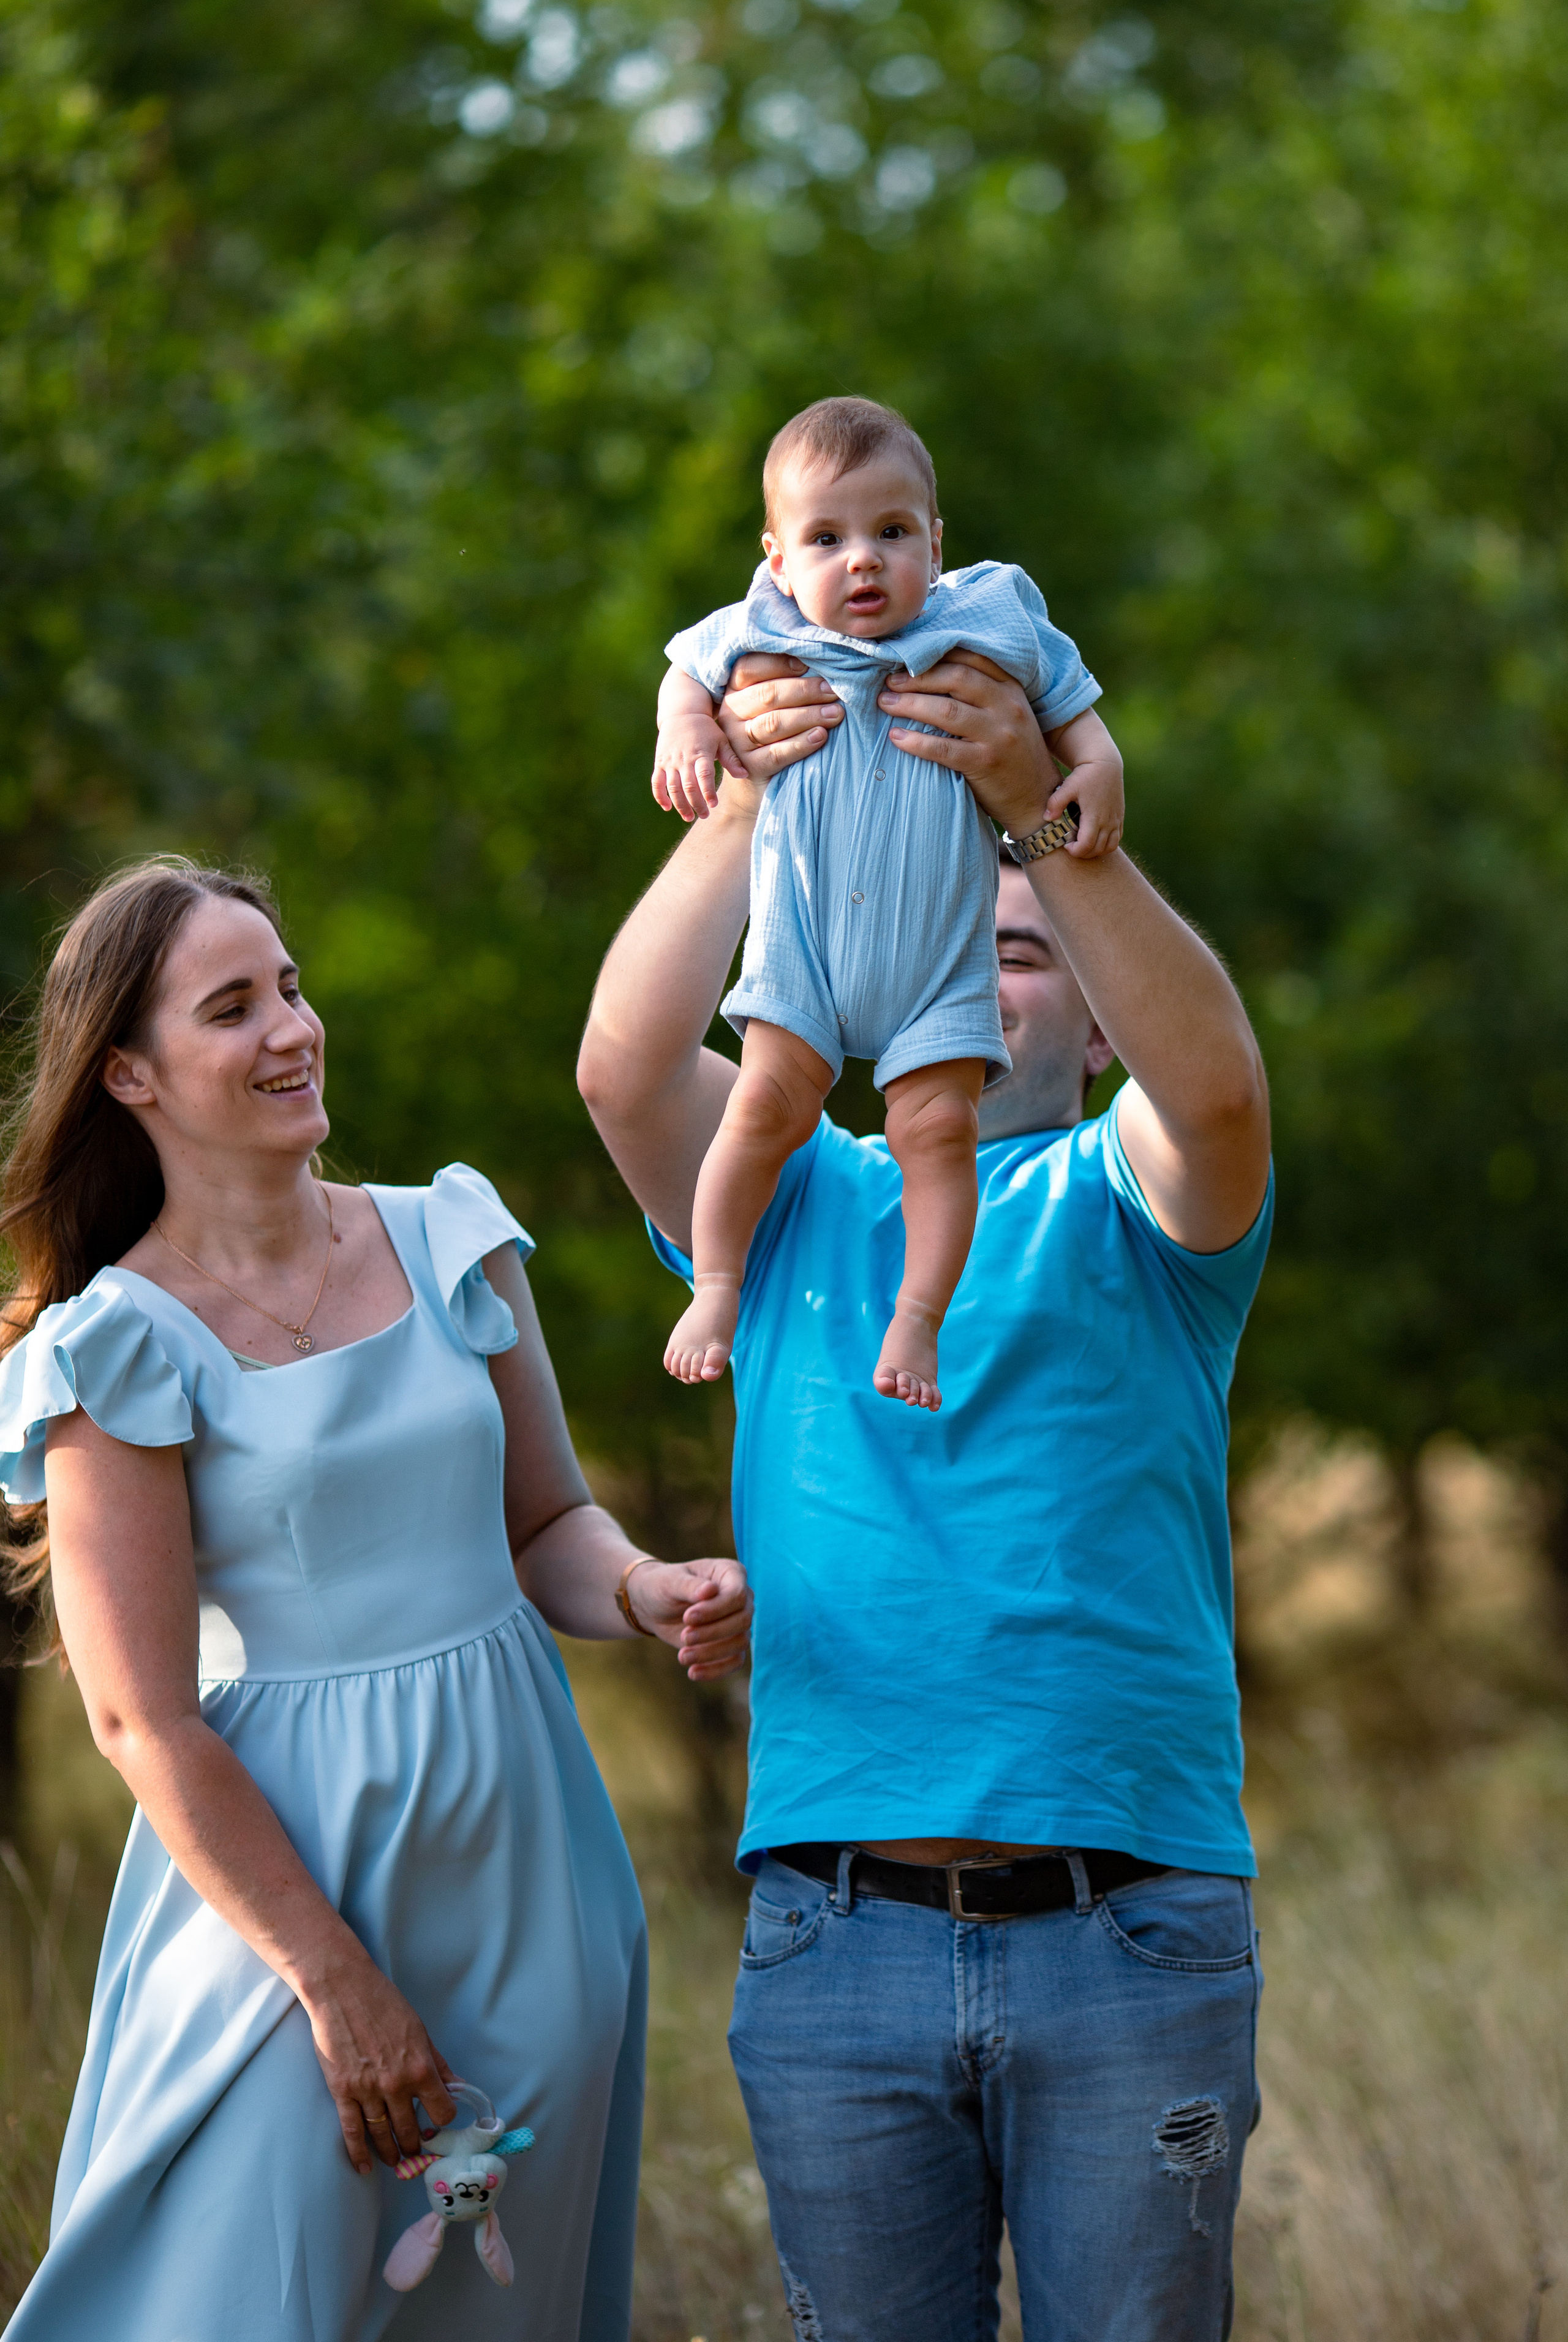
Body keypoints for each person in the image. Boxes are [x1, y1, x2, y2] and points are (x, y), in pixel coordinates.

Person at [578, 649, 1273, 2342]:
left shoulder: (1137, 1204)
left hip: (1130, 1934)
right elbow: (624, 1069)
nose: (964, 963)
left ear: (1096, 1022)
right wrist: (748, 806)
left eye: (1013, 950)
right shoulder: (794, 1199)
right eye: (937, 938)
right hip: (838, 1938)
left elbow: (1217, 1090)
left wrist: (1044, 821)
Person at [0, 856, 751, 2342]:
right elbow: (139, 1720)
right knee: (234, 2296)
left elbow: (546, 1523)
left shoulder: (446, 1235)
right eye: (232, 1008)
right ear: (130, 1075)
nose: (292, 1029)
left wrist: (641, 1585)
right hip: (283, 1897)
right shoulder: (114, 1348)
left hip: (526, 1862)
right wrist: (332, 1982)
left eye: (289, 987)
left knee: (493, 2305)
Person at [651, 396, 1124, 1410]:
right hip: (806, 956)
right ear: (779, 560)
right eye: (827, 539)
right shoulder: (761, 628)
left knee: (938, 1134)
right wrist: (686, 733)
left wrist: (1099, 765)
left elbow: (1071, 701)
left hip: (937, 975)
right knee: (761, 1110)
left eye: (893, 532)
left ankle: (917, 1319)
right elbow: (683, 678)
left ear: (937, 544)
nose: (863, 559)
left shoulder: (985, 619)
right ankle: (718, 1285)